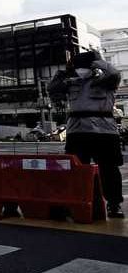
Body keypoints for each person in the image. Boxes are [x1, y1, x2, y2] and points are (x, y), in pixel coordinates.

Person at [49, 50, 124, 218]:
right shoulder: (71, 83)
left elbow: (114, 73)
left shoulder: (106, 82)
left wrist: (96, 61)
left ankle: (114, 204)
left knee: (109, 169)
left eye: (84, 66)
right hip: (77, 131)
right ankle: (75, 201)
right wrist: (65, 72)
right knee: (75, 169)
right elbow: (52, 88)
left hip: (104, 131)